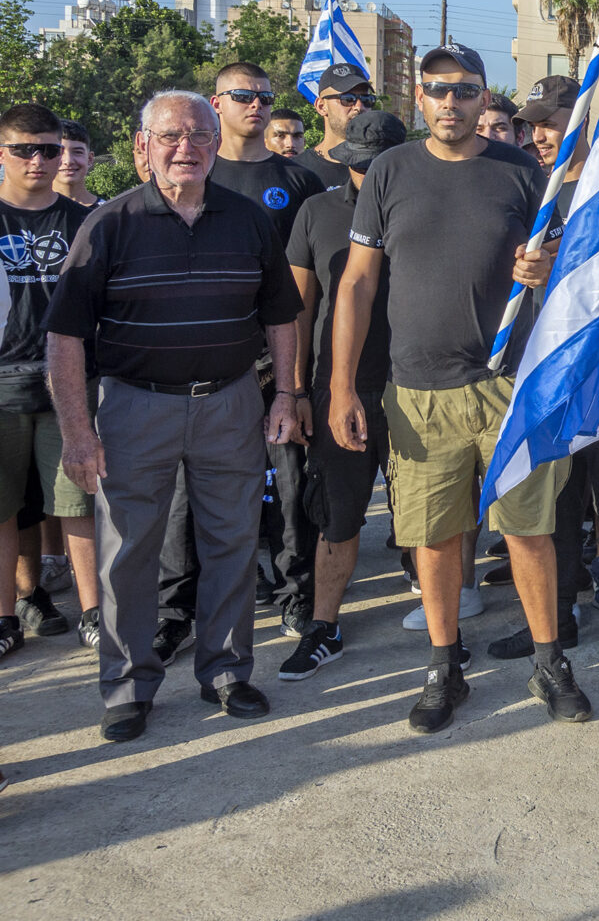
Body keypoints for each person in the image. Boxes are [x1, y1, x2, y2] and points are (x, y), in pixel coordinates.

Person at [329, 43, 584, 732]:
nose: (451, 101)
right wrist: (341, 388)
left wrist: (543, 269)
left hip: (509, 384)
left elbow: (563, 265)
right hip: (418, 391)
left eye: (466, 89)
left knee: (529, 530)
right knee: (436, 537)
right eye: (438, 89)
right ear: (420, 97)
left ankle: (549, 660)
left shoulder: (522, 169)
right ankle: (445, 666)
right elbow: (356, 283)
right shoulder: (388, 170)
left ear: (481, 98)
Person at [46, 90, 305, 742]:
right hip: (135, 406)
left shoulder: (249, 220)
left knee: (233, 540)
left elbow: (281, 314)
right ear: (143, 148)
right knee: (128, 552)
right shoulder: (107, 225)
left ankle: (226, 671)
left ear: (215, 146)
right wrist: (78, 431)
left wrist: (285, 395)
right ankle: (129, 686)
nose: (184, 147)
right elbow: (66, 337)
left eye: (197, 135)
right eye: (169, 136)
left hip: (230, 401)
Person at [480, 78, 599, 673]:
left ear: (580, 122)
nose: (538, 135)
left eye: (549, 122)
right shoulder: (532, 189)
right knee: (551, 505)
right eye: (531, 125)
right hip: (544, 372)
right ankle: (558, 620)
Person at [275, 110, 406, 683]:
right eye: (358, 167)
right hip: (340, 388)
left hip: (415, 386)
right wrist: (299, 389)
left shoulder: (418, 205)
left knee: (430, 517)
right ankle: (323, 627)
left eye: (378, 167)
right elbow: (297, 309)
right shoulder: (316, 211)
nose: (367, 176)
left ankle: (441, 627)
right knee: (338, 516)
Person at [199, 63, 326, 637]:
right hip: (210, 360)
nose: (257, 106)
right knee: (212, 484)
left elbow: (312, 281)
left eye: (265, 98)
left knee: (290, 482)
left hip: (280, 358)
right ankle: (199, 599)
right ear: (216, 103)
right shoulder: (195, 175)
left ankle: (297, 588)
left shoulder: (296, 180)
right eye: (243, 96)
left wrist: (297, 373)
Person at [0, 105, 93, 658]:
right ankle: (6, 616)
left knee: (77, 504)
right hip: (2, 384)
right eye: (23, 149)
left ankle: (93, 612)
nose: (38, 161)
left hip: (68, 384)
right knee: (5, 509)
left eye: (49, 149)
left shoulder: (84, 222)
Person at [297, 64, 378, 189]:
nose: (359, 107)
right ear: (321, 106)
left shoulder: (383, 166)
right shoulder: (298, 170)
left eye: (367, 99)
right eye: (348, 99)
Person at [55, 120, 98, 207]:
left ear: (89, 159)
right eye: (59, 152)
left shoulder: (107, 212)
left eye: (77, 152)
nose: (68, 161)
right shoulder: (31, 210)